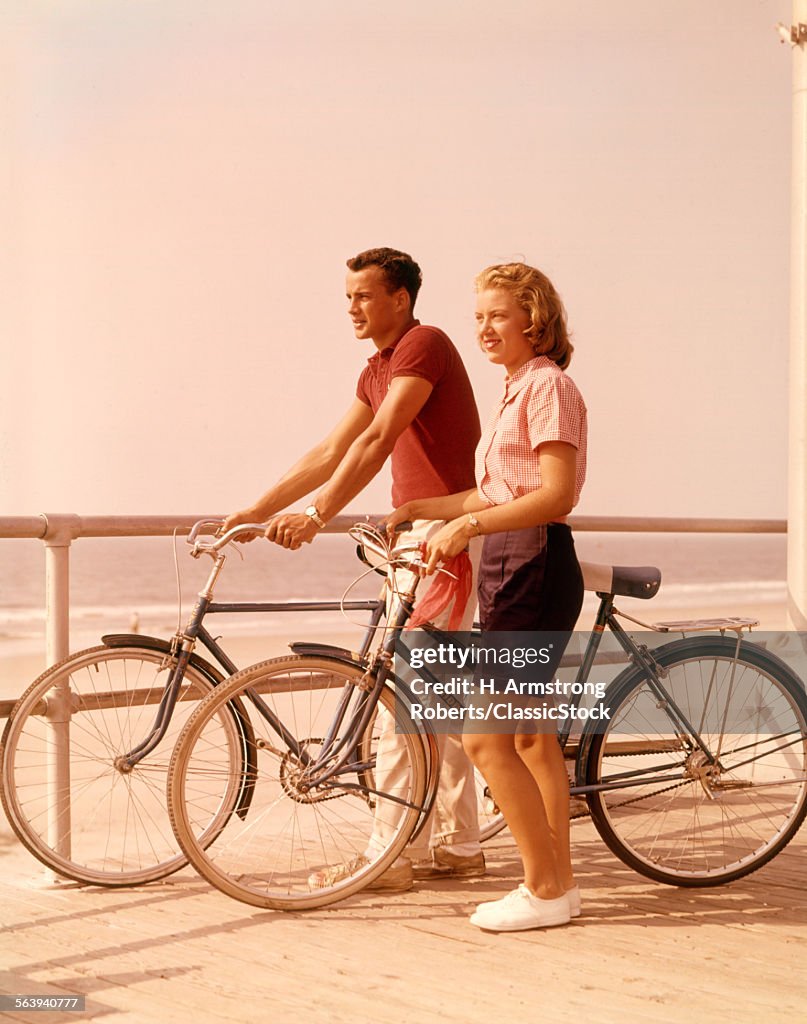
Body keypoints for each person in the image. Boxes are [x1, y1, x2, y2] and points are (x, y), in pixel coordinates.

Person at [222, 246, 485, 891]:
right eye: (348, 297)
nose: (352, 308)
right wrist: (253, 511)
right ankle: (456, 844)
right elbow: (332, 448)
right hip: (417, 537)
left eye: (364, 296)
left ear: (400, 298)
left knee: (399, 694)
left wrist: (316, 516)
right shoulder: (376, 370)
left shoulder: (425, 344)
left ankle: (390, 855)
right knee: (434, 697)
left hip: (445, 537)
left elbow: (378, 440)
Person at [387, 261, 587, 931]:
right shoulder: (516, 389)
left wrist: (467, 525)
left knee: (483, 738)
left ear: (533, 318)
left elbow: (555, 495)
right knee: (530, 741)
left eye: (496, 315)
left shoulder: (548, 387)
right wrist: (425, 507)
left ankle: (542, 890)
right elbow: (497, 490)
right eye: (477, 316)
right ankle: (557, 883)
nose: (483, 327)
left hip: (531, 564)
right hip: (511, 558)